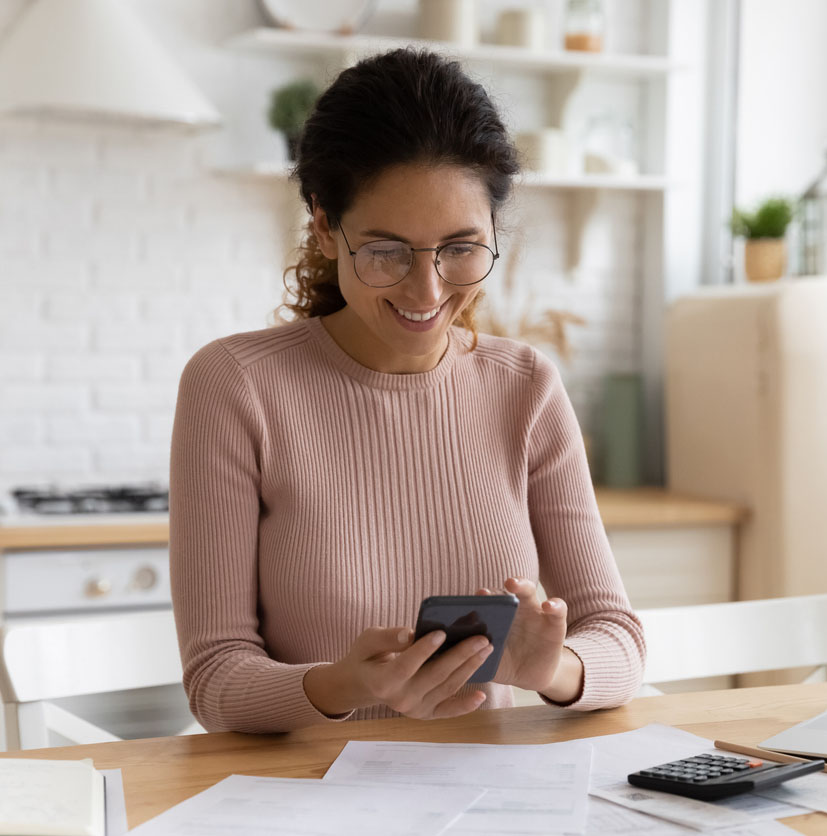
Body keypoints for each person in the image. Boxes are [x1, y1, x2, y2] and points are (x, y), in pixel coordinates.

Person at [169, 48, 645, 732]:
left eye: (460, 248)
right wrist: (339, 685)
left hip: (492, 804)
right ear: (326, 227)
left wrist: (553, 670)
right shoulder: (236, 386)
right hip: (310, 801)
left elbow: (620, 641)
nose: (427, 292)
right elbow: (216, 680)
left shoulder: (526, 386)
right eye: (387, 251)